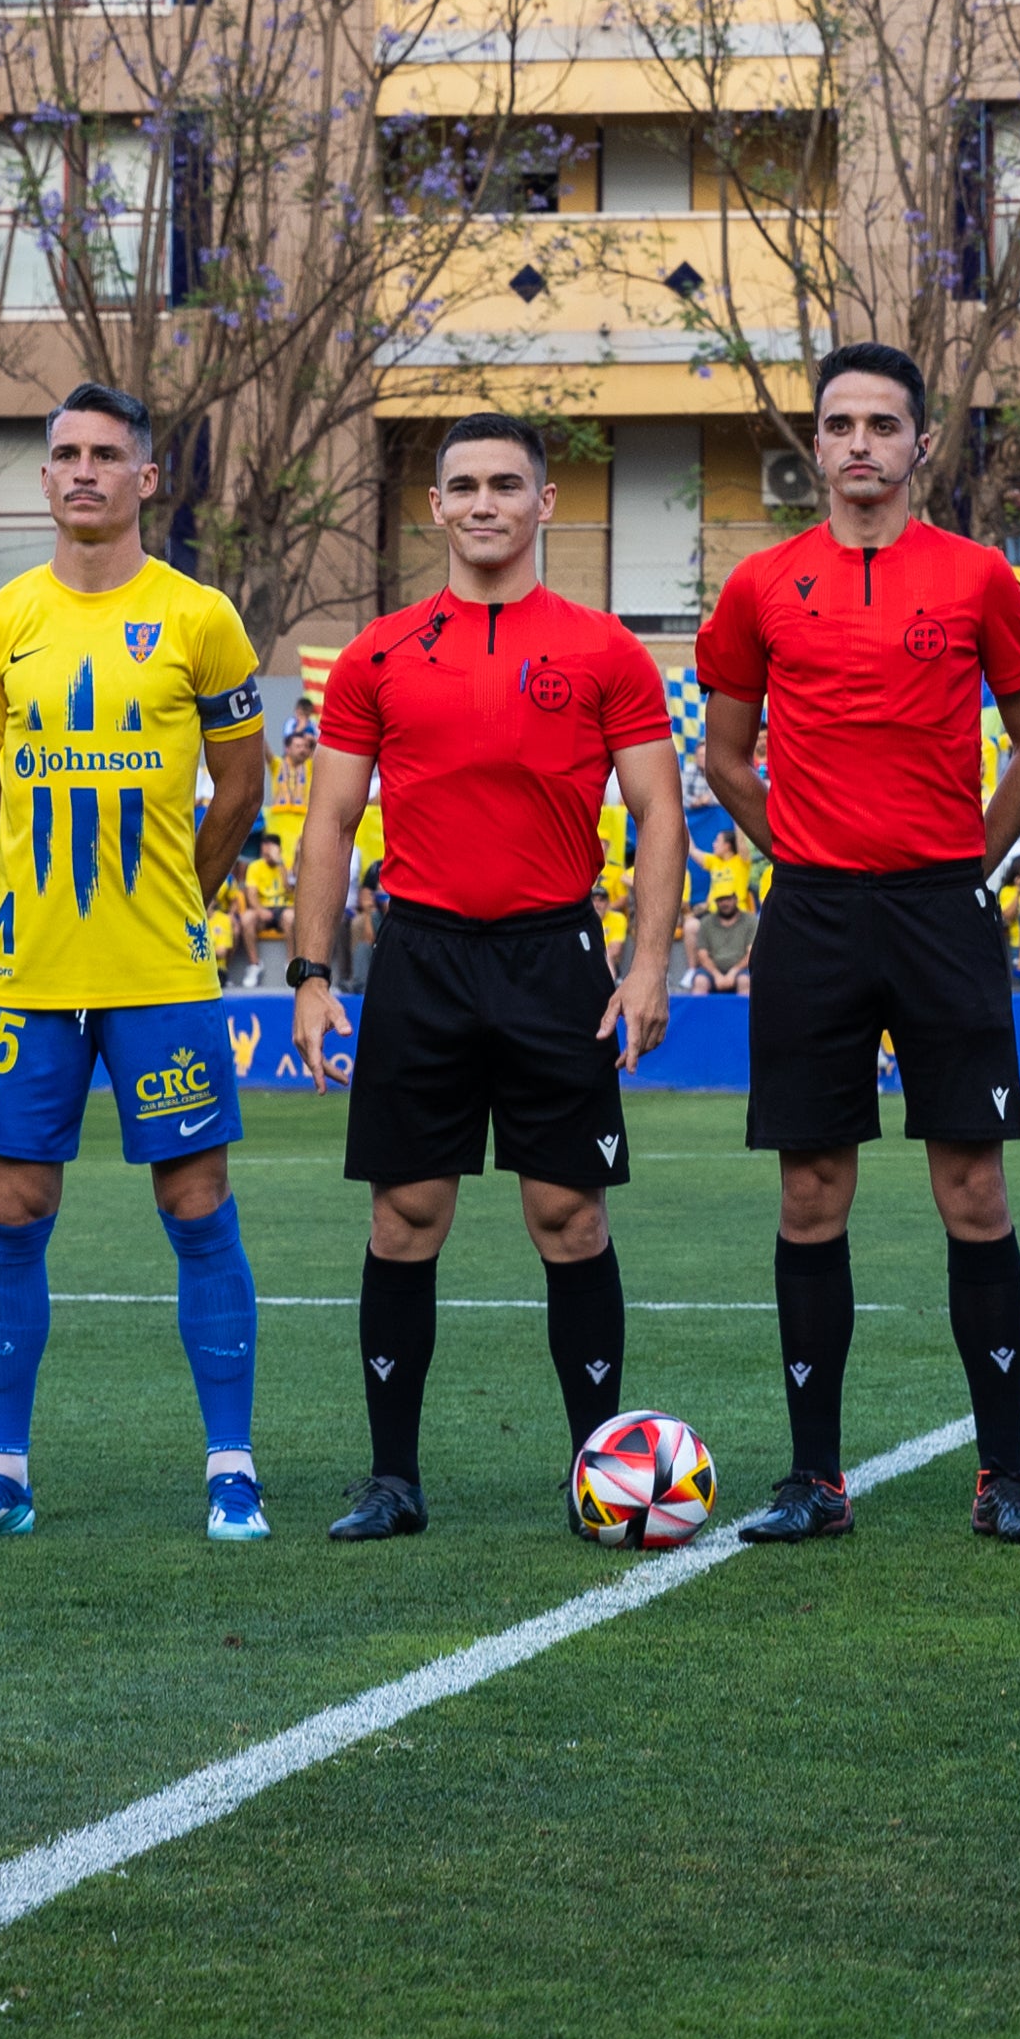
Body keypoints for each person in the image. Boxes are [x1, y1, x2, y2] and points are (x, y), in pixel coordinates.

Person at [289, 412, 687, 1544]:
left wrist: (645, 959)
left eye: (504, 483)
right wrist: (313, 974)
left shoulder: (605, 649)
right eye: (460, 483)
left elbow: (658, 811)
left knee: (567, 1217)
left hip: (554, 955)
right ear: (435, 505)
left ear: (543, 502)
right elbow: (329, 821)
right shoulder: (376, 652)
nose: (481, 501)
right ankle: (390, 1477)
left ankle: (600, 1471)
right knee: (404, 1216)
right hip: (418, 956)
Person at [695, 340, 1020, 1547]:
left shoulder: (976, 579)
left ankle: (1002, 1475)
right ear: (818, 442)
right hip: (813, 913)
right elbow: (726, 755)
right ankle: (815, 1477)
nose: (859, 442)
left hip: (939, 910)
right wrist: (795, 848)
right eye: (839, 422)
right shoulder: (759, 585)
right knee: (811, 1190)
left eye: (881, 424)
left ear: (918, 444)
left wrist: (971, 856)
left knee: (971, 1183)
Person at [0, 386, 277, 1546]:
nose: (83, 471)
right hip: (30, 967)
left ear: (146, 477)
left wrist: (186, 893)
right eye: (64, 455)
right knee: (13, 1204)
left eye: (106, 455)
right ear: (43, 480)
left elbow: (241, 785)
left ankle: (231, 1467)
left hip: (162, 969)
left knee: (195, 1202)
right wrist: (31, 873)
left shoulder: (201, 618)